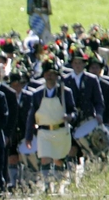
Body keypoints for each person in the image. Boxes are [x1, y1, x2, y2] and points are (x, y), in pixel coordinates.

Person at [24, 59, 77, 192]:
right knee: (45, 158)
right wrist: (28, 136)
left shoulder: (65, 92)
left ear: (57, 75)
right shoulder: (37, 94)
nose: (50, 76)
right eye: (47, 73)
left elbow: (73, 111)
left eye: (53, 73)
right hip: (44, 132)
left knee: (59, 159)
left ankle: (59, 185)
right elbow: (32, 115)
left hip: (60, 130)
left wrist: (70, 117)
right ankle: (48, 186)